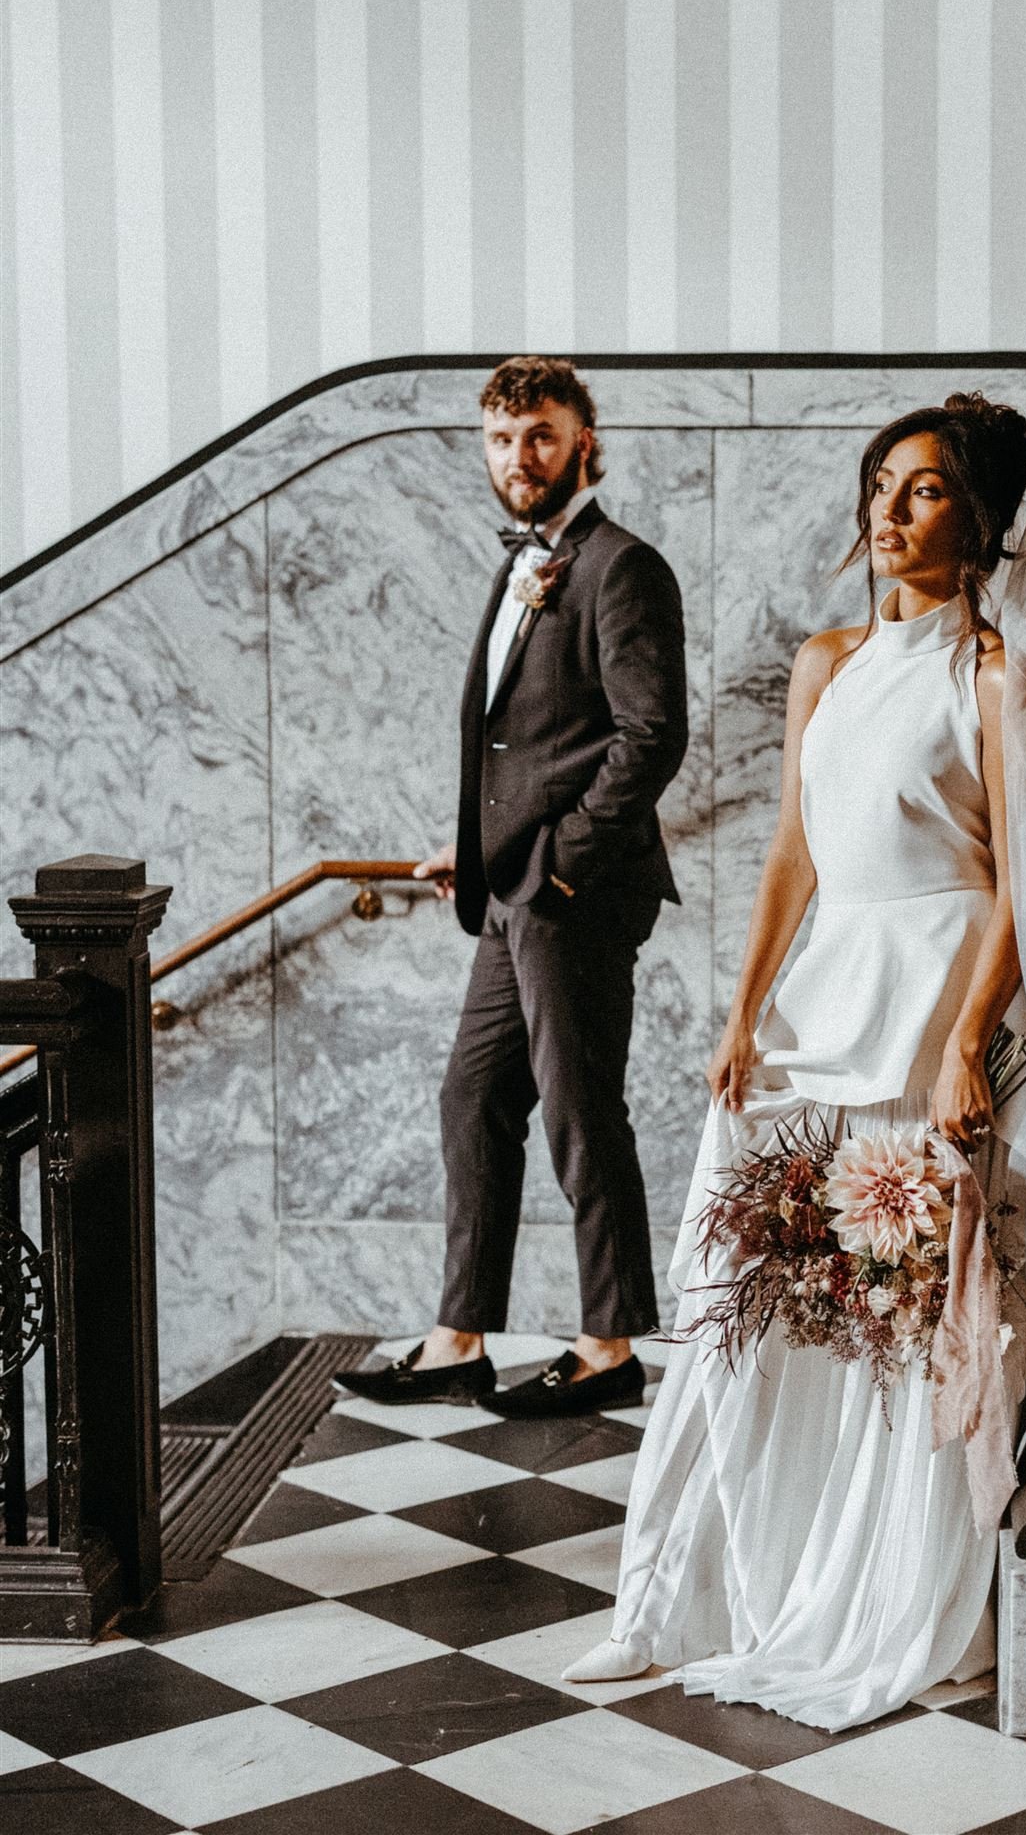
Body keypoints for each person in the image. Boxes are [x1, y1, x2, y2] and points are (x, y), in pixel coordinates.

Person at [563, 392, 1026, 1730]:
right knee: (735, 1303)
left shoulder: (995, 677)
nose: (890, 512)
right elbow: (793, 847)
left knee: (896, 1321)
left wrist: (969, 1042)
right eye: (882, 485)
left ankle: (887, 1598)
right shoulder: (826, 659)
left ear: (982, 518)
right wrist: (742, 1013)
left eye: (925, 489)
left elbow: (1022, 885)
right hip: (817, 998)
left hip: (927, 1003)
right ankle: (671, 1602)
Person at [336, 356, 688, 1417]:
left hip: (570, 893)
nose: (517, 456)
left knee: (580, 1109)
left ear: (585, 439)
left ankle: (609, 1344)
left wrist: (561, 864)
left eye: (539, 433)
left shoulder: (621, 566)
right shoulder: (525, 565)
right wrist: (482, 851)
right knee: (474, 1097)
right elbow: (523, 742)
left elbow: (650, 735)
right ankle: (458, 1338)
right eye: (499, 438)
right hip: (512, 889)